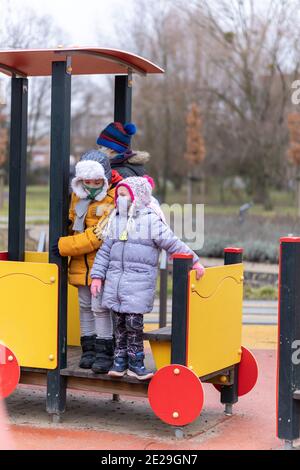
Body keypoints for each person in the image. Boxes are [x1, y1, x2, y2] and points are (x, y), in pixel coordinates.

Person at [90, 176, 205, 381]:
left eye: (123, 195)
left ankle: (136, 362)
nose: (119, 200)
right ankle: (119, 361)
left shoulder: (150, 220)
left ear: (137, 197)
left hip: (138, 285)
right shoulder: (115, 219)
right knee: (119, 326)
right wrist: (97, 276)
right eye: (118, 196)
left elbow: (172, 242)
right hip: (116, 285)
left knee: (134, 326)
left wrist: (193, 261)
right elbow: (105, 251)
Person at [55, 149, 122, 373]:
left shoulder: (112, 199)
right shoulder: (78, 196)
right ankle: (89, 349)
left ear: (104, 178)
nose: (91, 185)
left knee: (100, 307)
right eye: (86, 181)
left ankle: (105, 350)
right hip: (79, 264)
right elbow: (72, 221)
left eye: (95, 181)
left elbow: (98, 235)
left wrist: (64, 246)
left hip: (101, 266)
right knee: (84, 307)